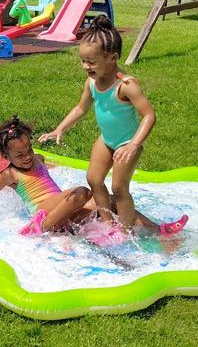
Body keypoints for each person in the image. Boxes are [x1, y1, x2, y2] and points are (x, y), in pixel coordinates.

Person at [38, 16, 159, 231]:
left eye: (91, 62)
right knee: (94, 179)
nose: (85, 66)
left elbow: (149, 115)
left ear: (112, 58)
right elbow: (80, 108)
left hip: (127, 143)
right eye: (83, 61)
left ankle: (125, 229)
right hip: (106, 140)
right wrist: (60, 128)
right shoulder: (92, 82)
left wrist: (132, 145)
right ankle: (107, 223)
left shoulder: (126, 85)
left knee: (119, 188)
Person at [0, 116, 188, 239]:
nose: (27, 157)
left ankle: (159, 230)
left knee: (111, 203)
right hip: (44, 212)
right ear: (6, 156)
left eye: (29, 150)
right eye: (20, 155)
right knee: (83, 192)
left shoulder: (38, 159)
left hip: (65, 211)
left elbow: (43, 170)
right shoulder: (9, 174)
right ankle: (40, 228)